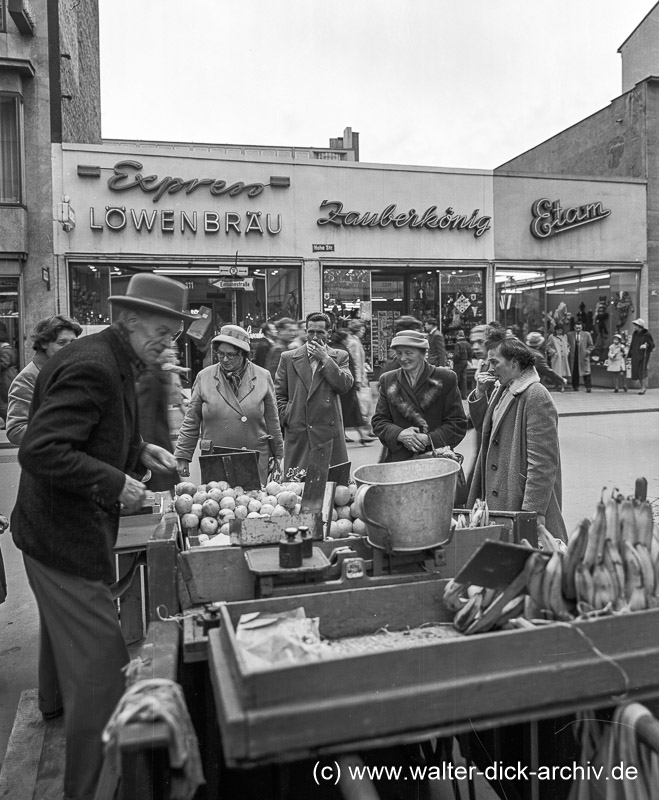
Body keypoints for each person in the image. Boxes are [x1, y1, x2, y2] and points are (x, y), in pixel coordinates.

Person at [11, 273, 188, 800]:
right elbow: (40, 449)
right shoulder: (93, 365)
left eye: (173, 333)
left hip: (63, 534)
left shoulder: (116, 359)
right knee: (102, 683)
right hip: (61, 540)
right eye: (160, 330)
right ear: (129, 320)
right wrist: (118, 484)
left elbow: (96, 429)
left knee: (93, 672)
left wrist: (137, 452)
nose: (167, 342)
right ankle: (90, 791)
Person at [467, 333, 567, 540]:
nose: (490, 368)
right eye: (488, 362)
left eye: (494, 362)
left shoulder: (536, 395)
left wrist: (534, 511)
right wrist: (479, 394)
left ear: (514, 362)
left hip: (518, 499)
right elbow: (485, 430)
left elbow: (543, 462)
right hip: (498, 493)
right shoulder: (503, 388)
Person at [175, 324, 284, 486]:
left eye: (231, 355)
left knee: (253, 506)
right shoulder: (204, 377)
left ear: (244, 355)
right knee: (217, 504)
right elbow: (191, 420)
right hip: (215, 458)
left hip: (253, 455)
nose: (225, 359)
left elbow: (272, 420)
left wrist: (278, 456)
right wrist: (183, 456)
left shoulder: (262, 376)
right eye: (221, 353)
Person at [275, 312, 353, 476]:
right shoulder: (289, 358)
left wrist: (325, 359)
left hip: (328, 432)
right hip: (300, 429)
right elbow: (278, 394)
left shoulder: (339, 357)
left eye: (320, 332)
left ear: (329, 333)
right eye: (310, 332)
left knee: (332, 488)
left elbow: (344, 385)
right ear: (305, 332)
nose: (315, 337)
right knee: (296, 488)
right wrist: (288, 415)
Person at [371, 329, 467, 462]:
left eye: (409, 353)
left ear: (423, 354)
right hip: (398, 461)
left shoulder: (445, 378)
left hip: (436, 459)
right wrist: (400, 434)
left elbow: (458, 423)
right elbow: (379, 421)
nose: (403, 358)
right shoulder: (388, 380)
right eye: (399, 353)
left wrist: (429, 439)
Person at [5, 315, 83, 445]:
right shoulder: (28, 378)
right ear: (43, 343)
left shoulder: (73, 371)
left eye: (73, 343)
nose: (69, 348)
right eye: (61, 343)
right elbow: (16, 429)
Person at [331, 328, 375, 445]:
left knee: (347, 410)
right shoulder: (340, 349)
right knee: (351, 410)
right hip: (345, 384)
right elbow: (350, 365)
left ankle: (356, 434)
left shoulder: (337, 347)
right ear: (344, 339)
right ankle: (361, 434)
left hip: (344, 384)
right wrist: (356, 381)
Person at [345, 319, 372, 427]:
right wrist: (359, 380)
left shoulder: (354, 341)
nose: (364, 331)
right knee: (361, 403)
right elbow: (355, 362)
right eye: (362, 328)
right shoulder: (354, 343)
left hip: (360, 375)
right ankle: (363, 427)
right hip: (359, 377)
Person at [629, 317, 655, 395]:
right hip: (636, 354)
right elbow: (633, 343)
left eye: (635, 325)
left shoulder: (646, 334)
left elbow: (652, 344)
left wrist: (646, 346)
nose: (634, 327)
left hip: (643, 355)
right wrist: (630, 353)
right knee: (637, 370)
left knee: (641, 370)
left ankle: (643, 387)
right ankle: (643, 386)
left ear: (639, 326)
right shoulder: (635, 333)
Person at [567, 322, 594, 392]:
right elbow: (567, 344)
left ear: (582, 328)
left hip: (583, 355)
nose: (578, 329)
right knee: (575, 371)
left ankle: (588, 387)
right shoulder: (569, 335)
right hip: (574, 355)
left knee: (586, 371)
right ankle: (575, 386)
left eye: (579, 328)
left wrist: (587, 351)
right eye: (576, 328)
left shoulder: (586, 334)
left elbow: (591, 345)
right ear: (574, 328)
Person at [0, 323, 18, 426]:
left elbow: (4, 363)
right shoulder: (7, 349)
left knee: (4, 403)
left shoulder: (5, 350)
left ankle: (9, 422)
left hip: (5, 378)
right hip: (7, 378)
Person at [452, 329, 472, 399]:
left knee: (455, 377)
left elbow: (456, 354)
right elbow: (470, 352)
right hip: (465, 361)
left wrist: (454, 360)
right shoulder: (467, 343)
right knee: (464, 378)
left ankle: (455, 394)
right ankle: (464, 395)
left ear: (457, 336)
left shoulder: (458, 343)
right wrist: (468, 359)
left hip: (459, 362)